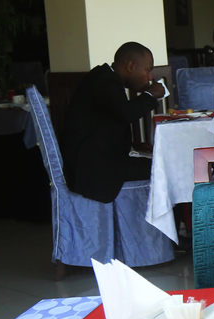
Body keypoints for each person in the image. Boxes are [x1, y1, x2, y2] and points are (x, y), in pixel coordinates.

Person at [60, 41, 164, 203]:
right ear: (131, 66)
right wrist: (150, 95)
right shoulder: (105, 81)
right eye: (148, 70)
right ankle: (165, 226)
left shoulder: (102, 76)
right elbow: (126, 113)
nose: (150, 77)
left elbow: (104, 124)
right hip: (93, 169)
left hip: (91, 161)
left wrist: (132, 145)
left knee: (156, 163)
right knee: (165, 168)